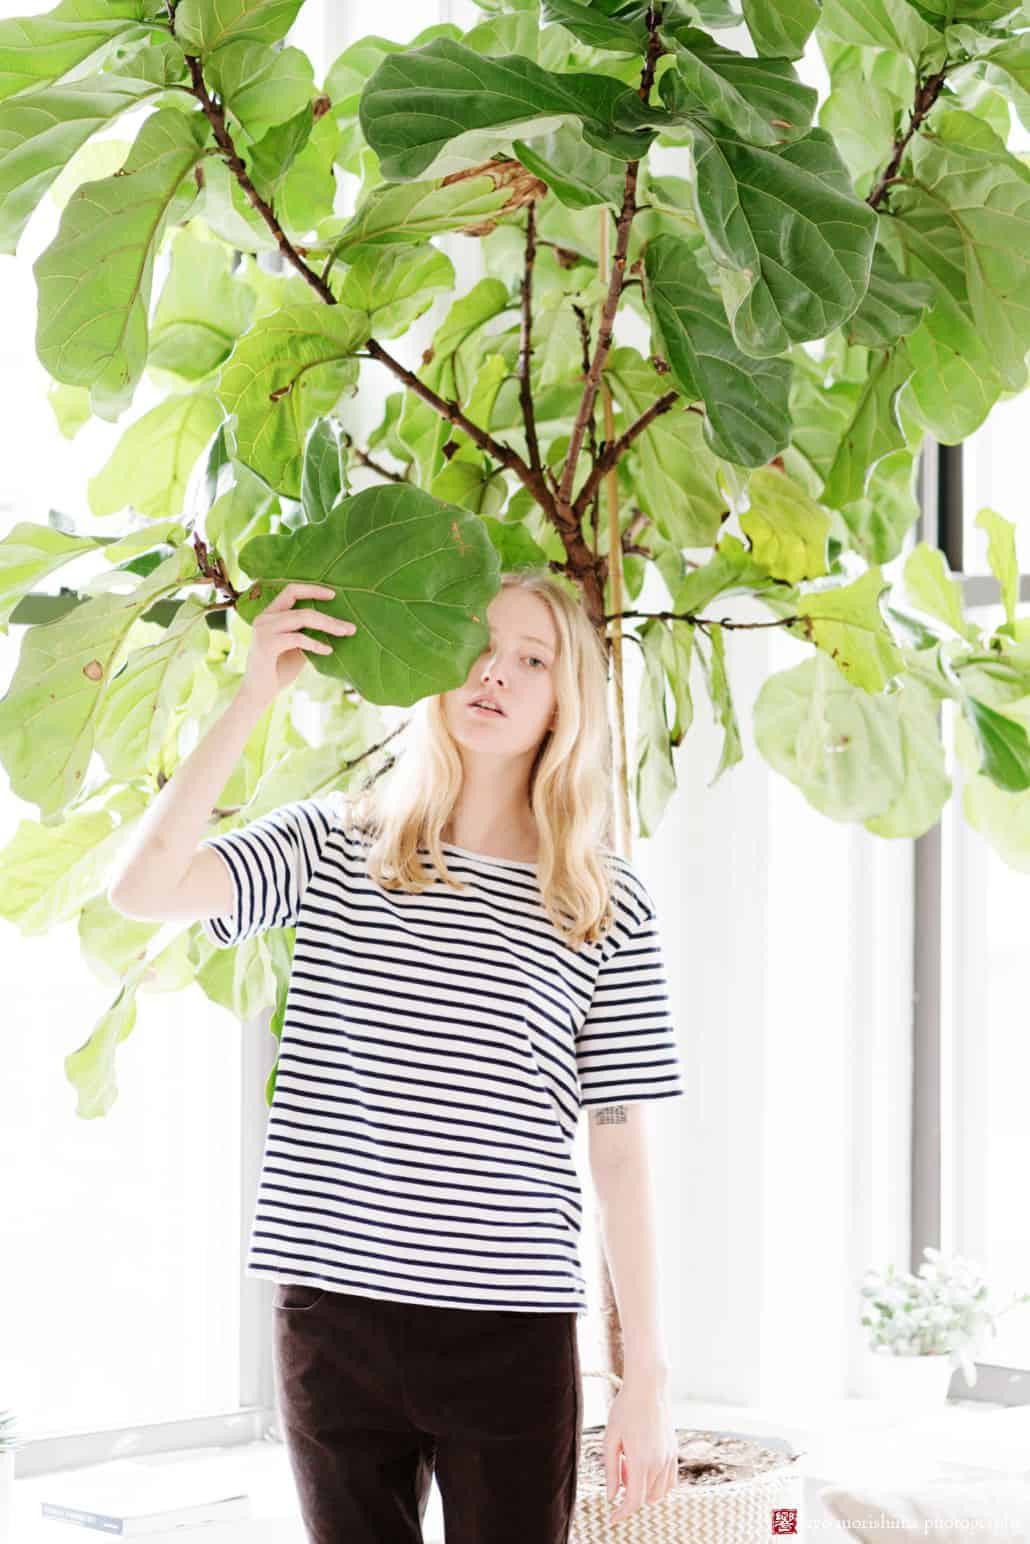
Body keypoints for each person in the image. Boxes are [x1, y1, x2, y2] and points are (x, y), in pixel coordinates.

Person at [109, 567, 685, 1543]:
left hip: (513, 1326)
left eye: (530, 658)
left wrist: (648, 1379)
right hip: (336, 1314)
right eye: (473, 645)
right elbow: (145, 887)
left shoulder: (604, 901)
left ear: (564, 699)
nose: (494, 674)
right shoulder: (336, 845)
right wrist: (255, 691)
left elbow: (619, 1141)